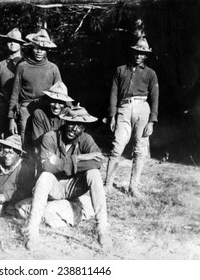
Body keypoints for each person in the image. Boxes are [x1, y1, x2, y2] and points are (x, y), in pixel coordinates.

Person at [23, 105, 110, 251]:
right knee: (45, 176)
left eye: (79, 126)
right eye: (71, 123)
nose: (74, 129)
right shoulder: (50, 137)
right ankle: (32, 231)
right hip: (55, 186)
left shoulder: (86, 139)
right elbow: (48, 167)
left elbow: (98, 161)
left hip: (74, 186)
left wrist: (60, 162)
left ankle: (102, 229)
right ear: (64, 122)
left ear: (84, 128)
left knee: (93, 173)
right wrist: (80, 159)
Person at [105, 38, 159, 198]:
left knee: (140, 149)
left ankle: (133, 187)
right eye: (136, 52)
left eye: (142, 53)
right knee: (117, 146)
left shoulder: (150, 73)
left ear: (146, 56)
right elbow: (114, 93)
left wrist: (151, 121)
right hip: (124, 108)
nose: (138, 56)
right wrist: (112, 115)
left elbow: (155, 97)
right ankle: (108, 184)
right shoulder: (121, 70)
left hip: (142, 109)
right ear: (132, 52)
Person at [8, 29, 62, 147]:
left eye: (42, 49)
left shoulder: (53, 69)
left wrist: (68, 111)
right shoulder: (22, 66)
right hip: (26, 109)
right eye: (36, 47)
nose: (39, 51)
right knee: (26, 143)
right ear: (32, 47)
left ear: (47, 50)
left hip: (46, 111)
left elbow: (60, 94)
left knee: (45, 142)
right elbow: (15, 93)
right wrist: (11, 119)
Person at [0, 28, 26, 139]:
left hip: (23, 108)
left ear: (21, 44)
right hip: (4, 110)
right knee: (4, 144)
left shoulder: (27, 64)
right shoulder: (0, 66)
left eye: (16, 41)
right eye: (9, 41)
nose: (12, 43)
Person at [31, 81, 74, 148]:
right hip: (44, 149)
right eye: (53, 101)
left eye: (60, 102)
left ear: (65, 103)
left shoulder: (67, 114)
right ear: (49, 101)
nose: (56, 106)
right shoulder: (39, 114)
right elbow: (37, 141)